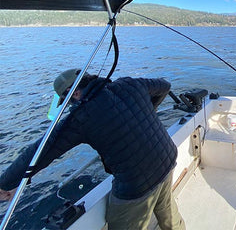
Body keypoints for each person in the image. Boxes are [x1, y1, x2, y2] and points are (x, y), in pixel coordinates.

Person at [0, 69, 185, 230]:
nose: (70, 106)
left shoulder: (81, 116)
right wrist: (148, 111)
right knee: (167, 210)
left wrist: (4, 184)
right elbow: (164, 85)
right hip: (166, 157)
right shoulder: (130, 83)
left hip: (136, 183)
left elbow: (39, 152)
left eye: (67, 101)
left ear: (74, 94)